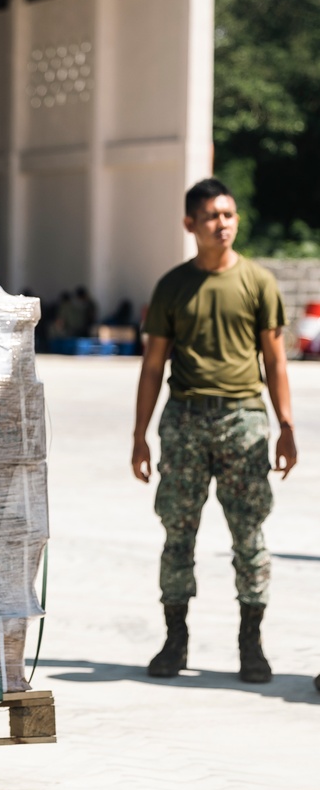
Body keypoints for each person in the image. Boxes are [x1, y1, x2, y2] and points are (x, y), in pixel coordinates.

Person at [131, 178, 297, 683]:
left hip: (244, 420)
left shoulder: (258, 282)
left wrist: (287, 426)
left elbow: (276, 360)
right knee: (177, 534)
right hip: (183, 419)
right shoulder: (172, 286)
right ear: (190, 225)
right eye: (210, 217)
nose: (221, 224)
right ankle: (174, 640)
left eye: (228, 215)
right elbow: (153, 365)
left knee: (249, 534)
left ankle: (252, 644)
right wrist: (139, 435)